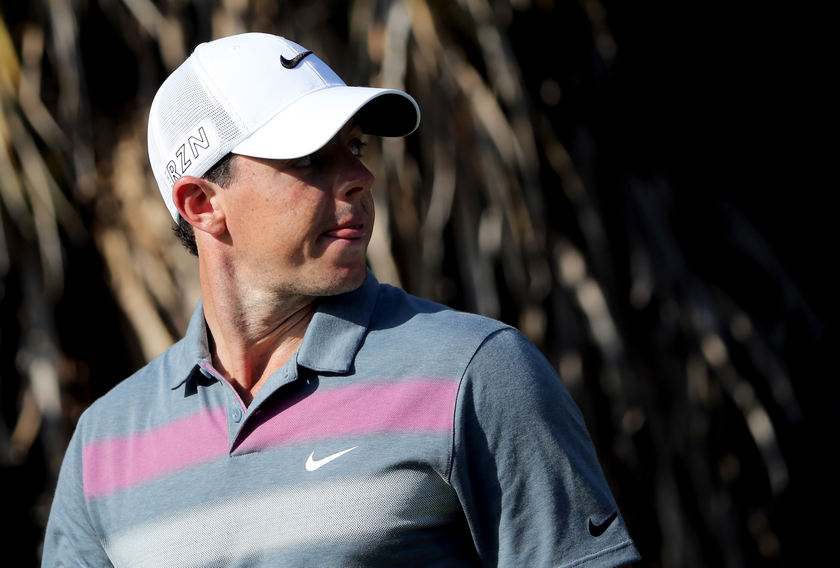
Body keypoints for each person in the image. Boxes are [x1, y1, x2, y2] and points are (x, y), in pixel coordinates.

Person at [42, 32, 640, 567]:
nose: (360, 177)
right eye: (307, 157)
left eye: (354, 147)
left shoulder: (474, 372)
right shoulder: (104, 445)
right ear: (202, 204)